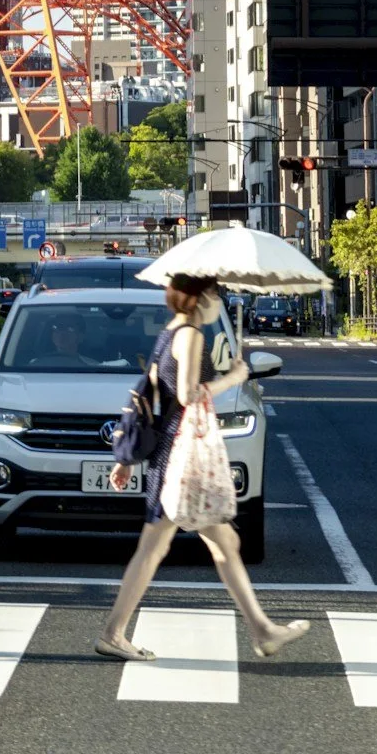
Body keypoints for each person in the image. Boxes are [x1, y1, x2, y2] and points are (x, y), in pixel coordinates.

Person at [95, 274, 309, 665]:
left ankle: (262, 629)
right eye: (213, 292)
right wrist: (234, 376)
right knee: (155, 549)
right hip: (183, 455)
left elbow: (149, 392)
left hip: (171, 453)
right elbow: (187, 394)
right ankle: (113, 632)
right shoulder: (191, 334)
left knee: (221, 543)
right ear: (198, 296)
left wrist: (126, 458)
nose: (218, 299)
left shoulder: (169, 332)